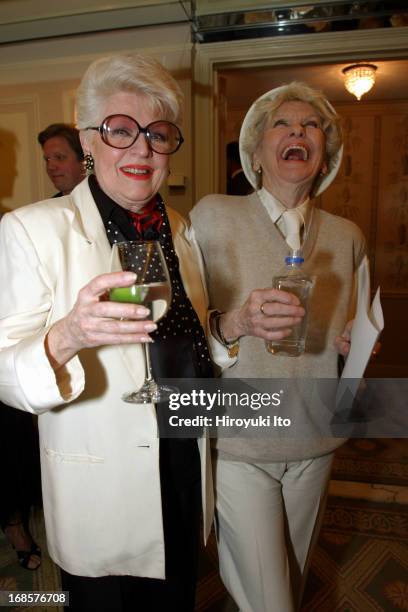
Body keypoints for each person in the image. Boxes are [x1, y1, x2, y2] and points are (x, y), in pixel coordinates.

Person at [0, 54, 213, 612]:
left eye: (158, 134)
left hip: (183, 462)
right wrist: (68, 335)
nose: (141, 148)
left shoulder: (181, 228)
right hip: (101, 485)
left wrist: (230, 329)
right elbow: (6, 374)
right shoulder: (33, 229)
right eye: (121, 130)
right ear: (89, 140)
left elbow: (187, 345)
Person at [191, 82, 366, 612]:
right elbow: (182, 332)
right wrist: (237, 321)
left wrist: (353, 344)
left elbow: (354, 332)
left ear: (324, 155)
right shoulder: (211, 216)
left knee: (291, 573)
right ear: (256, 154)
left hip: (315, 440)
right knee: (270, 601)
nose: (297, 132)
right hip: (241, 443)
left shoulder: (347, 235)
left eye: (310, 126)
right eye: (282, 125)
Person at [38, 123, 85, 196]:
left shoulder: (106, 204)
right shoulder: (49, 206)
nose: (50, 167)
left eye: (59, 157)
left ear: (83, 162)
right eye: (47, 160)